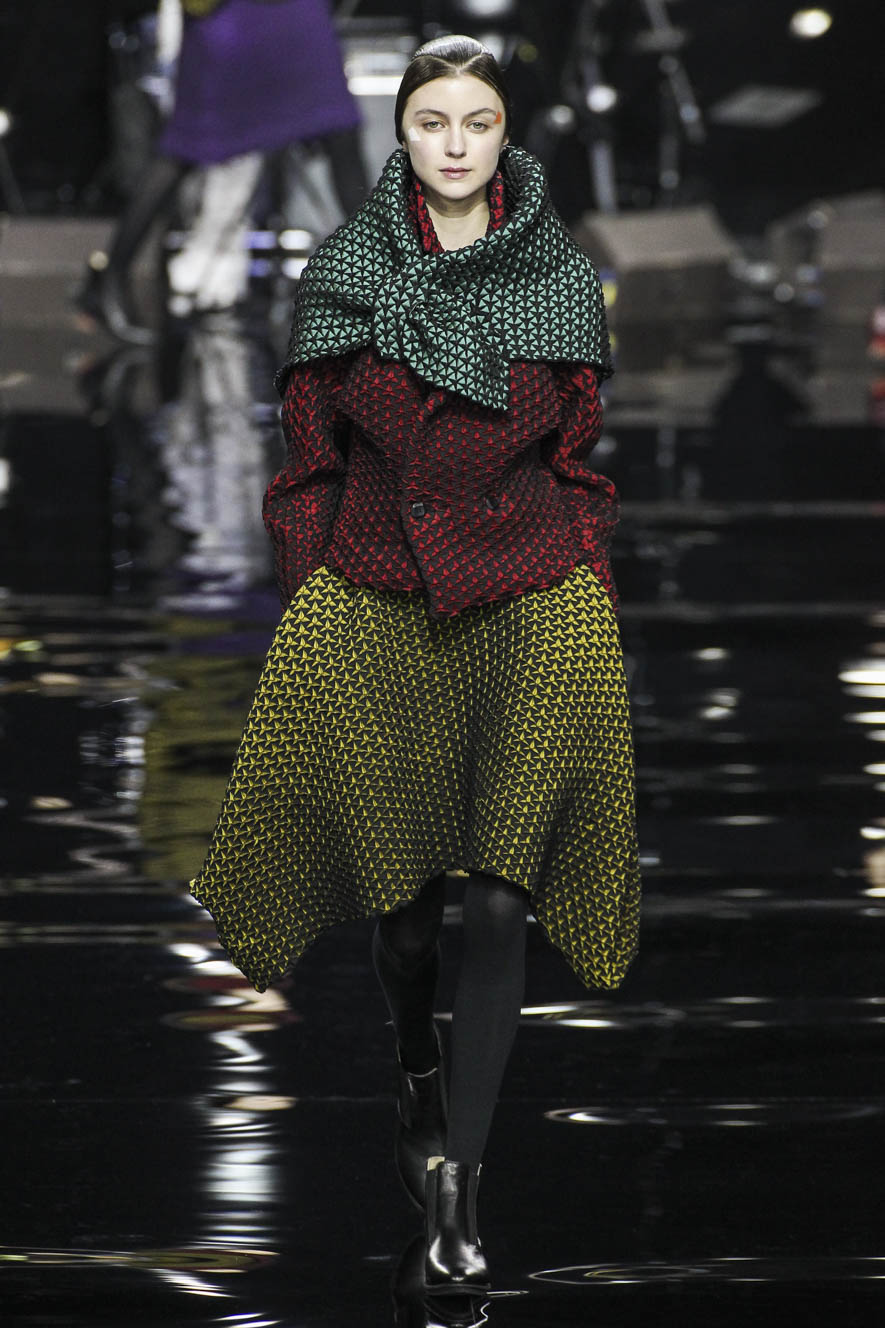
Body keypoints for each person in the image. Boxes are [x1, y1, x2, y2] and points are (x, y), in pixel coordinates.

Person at [190, 34, 641, 1295]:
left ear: (506, 134)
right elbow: (308, 467)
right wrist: (314, 590)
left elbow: (577, 461)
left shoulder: (559, 279)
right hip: (382, 596)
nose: (454, 142)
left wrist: (589, 580)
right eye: (432, 119)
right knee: (405, 918)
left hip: (533, 594)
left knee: (501, 896)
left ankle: (461, 1190)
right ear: (400, 132)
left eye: (476, 121)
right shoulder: (347, 276)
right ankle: (417, 1068)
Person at [77, 0, 366, 342]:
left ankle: (385, 276)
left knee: (340, 130)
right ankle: (109, 278)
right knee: (185, 148)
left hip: (296, 15)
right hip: (231, 18)